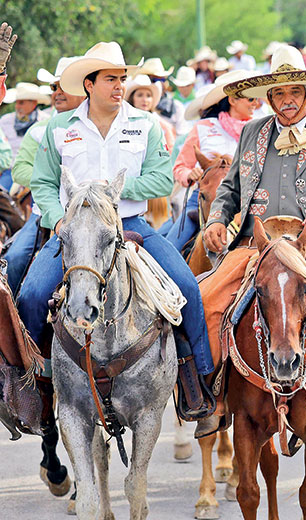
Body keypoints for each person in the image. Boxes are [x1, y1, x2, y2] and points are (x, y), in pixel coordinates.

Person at [19, 41, 216, 420]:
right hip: (74, 230)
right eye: (111, 79)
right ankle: (36, 387)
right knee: (30, 295)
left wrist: (115, 190)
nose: (119, 86)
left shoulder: (146, 125)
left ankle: (197, 378)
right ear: (89, 84)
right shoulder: (59, 128)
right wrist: (59, 219)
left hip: (131, 226)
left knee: (187, 288)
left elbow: (161, 181)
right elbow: (43, 183)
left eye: (122, 79)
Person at [199, 44, 306, 432]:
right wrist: (216, 220)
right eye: (278, 93)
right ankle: (211, 396)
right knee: (204, 302)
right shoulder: (251, 133)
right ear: (269, 97)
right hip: (256, 248)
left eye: (295, 92)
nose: (287, 101)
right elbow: (229, 189)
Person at [5, 56, 85, 296]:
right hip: (45, 216)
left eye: (64, 87)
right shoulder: (39, 130)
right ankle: (15, 320)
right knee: (16, 258)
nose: (57, 93)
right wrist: (57, 184)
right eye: (54, 88)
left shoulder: (99, 126)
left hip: (92, 213)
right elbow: (19, 170)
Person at [161, 69, 258, 252]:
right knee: (171, 250)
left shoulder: (258, 130)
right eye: (251, 98)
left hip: (245, 206)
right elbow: (180, 166)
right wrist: (190, 174)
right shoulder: (204, 127)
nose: (256, 103)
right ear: (232, 100)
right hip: (203, 201)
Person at [125, 74, 175, 152]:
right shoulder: (123, 122)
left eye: (148, 96)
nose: (144, 100)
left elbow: (170, 151)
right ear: (132, 98)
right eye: (140, 95)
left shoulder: (163, 126)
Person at [0, 83, 51, 159]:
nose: (17, 106)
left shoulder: (46, 121)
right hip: (8, 167)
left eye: (21, 103)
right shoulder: (5, 120)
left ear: (34, 103)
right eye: (16, 102)